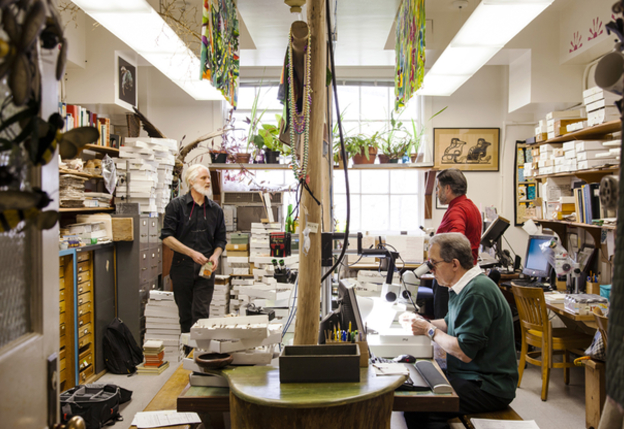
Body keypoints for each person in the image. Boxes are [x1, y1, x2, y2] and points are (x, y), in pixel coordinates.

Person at [402, 233, 518, 429]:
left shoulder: (476, 292)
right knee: (417, 385)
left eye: (434, 264)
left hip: (488, 385)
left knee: (419, 406)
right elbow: (450, 323)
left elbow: (464, 352)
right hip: (471, 375)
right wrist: (420, 321)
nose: (431, 271)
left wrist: (429, 330)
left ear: (454, 264)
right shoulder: (460, 286)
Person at [160, 164, 227, 333]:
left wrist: (216, 256)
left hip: (205, 269)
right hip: (182, 267)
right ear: (191, 181)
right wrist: (191, 253)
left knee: (201, 315)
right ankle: (188, 356)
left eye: (208, 179)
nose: (208, 182)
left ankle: (199, 355)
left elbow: (221, 240)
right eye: (203, 178)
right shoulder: (176, 206)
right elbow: (167, 237)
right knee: (186, 317)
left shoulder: (216, 210)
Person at [433, 168, 482, 318]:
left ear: (447, 188)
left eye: (438, 188)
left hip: (452, 276)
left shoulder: (457, 210)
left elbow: (456, 241)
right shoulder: (470, 206)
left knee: (445, 324)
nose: (436, 192)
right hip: (464, 274)